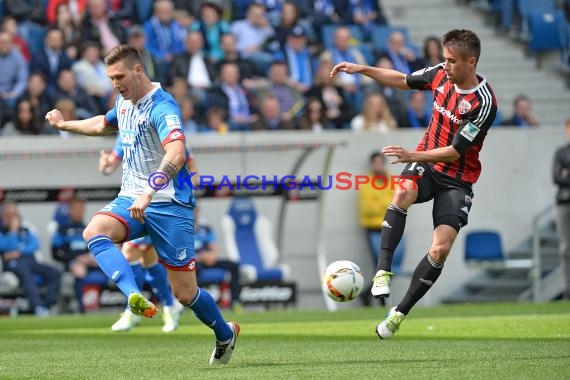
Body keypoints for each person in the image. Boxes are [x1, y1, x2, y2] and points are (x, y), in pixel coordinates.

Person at [45, 45, 239, 365]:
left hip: (169, 203)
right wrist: (65, 125)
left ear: (138, 70)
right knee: (95, 231)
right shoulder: (123, 102)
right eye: (110, 78)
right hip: (131, 197)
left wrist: (149, 191)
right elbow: (101, 125)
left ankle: (225, 334)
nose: (115, 83)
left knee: (185, 294)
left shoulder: (163, 107)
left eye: (119, 76)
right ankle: (133, 296)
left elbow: (176, 153)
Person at [330, 29, 497, 338]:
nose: (445, 65)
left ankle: (398, 313)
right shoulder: (439, 74)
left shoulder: (484, 102)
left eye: (451, 61)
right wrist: (362, 69)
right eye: (444, 59)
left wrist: (412, 153)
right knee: (403, 191)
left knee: (440, 248)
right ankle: (382, 271)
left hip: (456, 178)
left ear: (470, 61)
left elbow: (456, 150)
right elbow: (402, 79)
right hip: (427, 164)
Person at [98, 136, 188, 332]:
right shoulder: (125, 135)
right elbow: (110, 165)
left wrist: (186, 193)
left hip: (160, 202)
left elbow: (185, 160)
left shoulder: (158, 131)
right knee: (147, 259)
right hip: (134, 200)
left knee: (132, 254)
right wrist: (105, 165)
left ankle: (134, 311)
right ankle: (169, 307)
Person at [0, 202, 61, 317]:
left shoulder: (26, 229)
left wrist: (19, 251)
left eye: (14, 214)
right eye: (8, 215)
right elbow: (5, 246)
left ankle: (47, 305)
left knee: (54, 272)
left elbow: (34, 245)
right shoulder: (2, 231)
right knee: (26, 273)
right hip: (13, 265)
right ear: (3, 216)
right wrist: (13, 231)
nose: (12, 217)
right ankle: (37, 307)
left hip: (30, 261)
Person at [51, 197, 104, 313]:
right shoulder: (62, 229)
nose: (79, 211)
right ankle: (81, 308)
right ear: (70, 210)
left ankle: (101, 304)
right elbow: (55, 254)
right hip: (72, 262)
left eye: (82, 209)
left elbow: (96, 246)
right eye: (77, 209)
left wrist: (90, 257)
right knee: (79, 270)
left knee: (107, 263)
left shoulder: (88, 227)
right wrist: (75, 258)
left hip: (89, 260)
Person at [358, 151, 394, 307]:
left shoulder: (391, 181)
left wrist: (380, 203)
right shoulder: (367, 183)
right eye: (375, 162)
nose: (378, 165)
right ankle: (379, 299)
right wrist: (387, 204)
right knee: (380, 265)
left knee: (388, 266)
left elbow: (401, 201)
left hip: (390, 228)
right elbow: (368, 208)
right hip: (374, 229)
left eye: (380, 162)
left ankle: (368, 295)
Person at [194, 206, 242, 311]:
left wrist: (211, 256)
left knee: (234, 266)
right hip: (192, 261)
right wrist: (200, 258)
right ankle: (195, 304)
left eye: (196, 209)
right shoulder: (181, 227)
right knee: (194, 268)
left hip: (206, 259)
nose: (194, 212)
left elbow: (215, 250)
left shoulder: (205, 227)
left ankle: (235, 301)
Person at [553, 117, 570, 300]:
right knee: (565, 248)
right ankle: (568, 289)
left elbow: (563, 176)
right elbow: (556, 177)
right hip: (564, 203)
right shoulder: (561, 153)